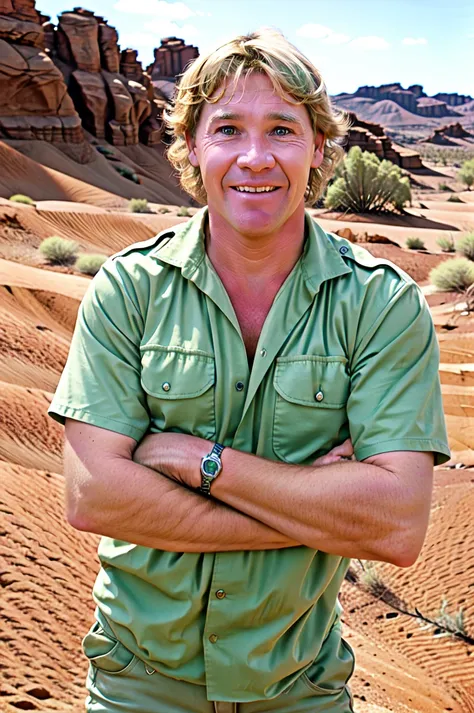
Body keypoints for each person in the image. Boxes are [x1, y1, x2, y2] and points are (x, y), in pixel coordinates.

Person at [47, 27, 450, 713]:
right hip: (137, 684)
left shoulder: (381, 304)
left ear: (319, 147)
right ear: (193, 147)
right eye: (228, 128)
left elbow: (397, 526)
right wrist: (318, 514)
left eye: (283, 130)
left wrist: (200, 461)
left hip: (301, 690)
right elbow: (95, 497)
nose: (254, 157)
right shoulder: (129, 289)